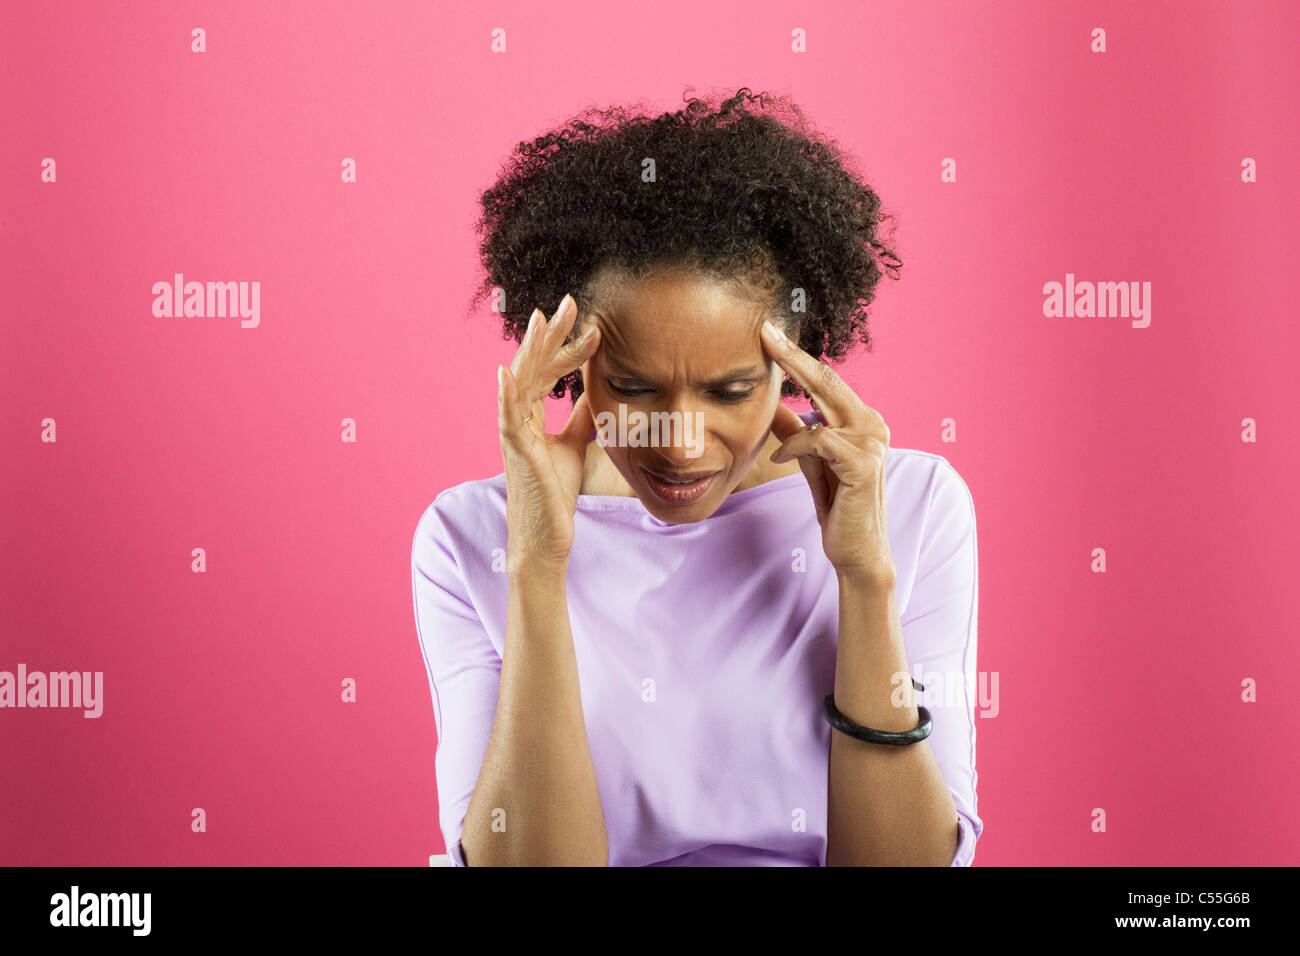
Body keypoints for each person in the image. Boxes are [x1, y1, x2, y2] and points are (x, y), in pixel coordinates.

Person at [411, 88, 982, 866]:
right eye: (635, 389)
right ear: (570, 365)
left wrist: (864, 580)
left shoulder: (911, 506)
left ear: (799, 362)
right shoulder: (469, 536)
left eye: (730, 391)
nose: (680, 445)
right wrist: (538, 565)